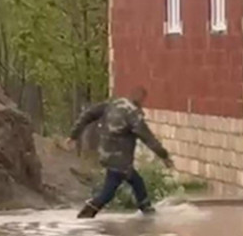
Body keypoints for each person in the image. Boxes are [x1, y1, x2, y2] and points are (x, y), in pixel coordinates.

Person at [68, 87, 174, 219]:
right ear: (141, 99)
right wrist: (164, 156)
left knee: (136, 181)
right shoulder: (133, 114)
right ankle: (87, 212)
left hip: (105, 154)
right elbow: (148, 138)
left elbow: (88, 114)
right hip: (121, 160)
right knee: (109, 191)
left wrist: (74, 134)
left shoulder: (112, 104)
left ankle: (147, 211)